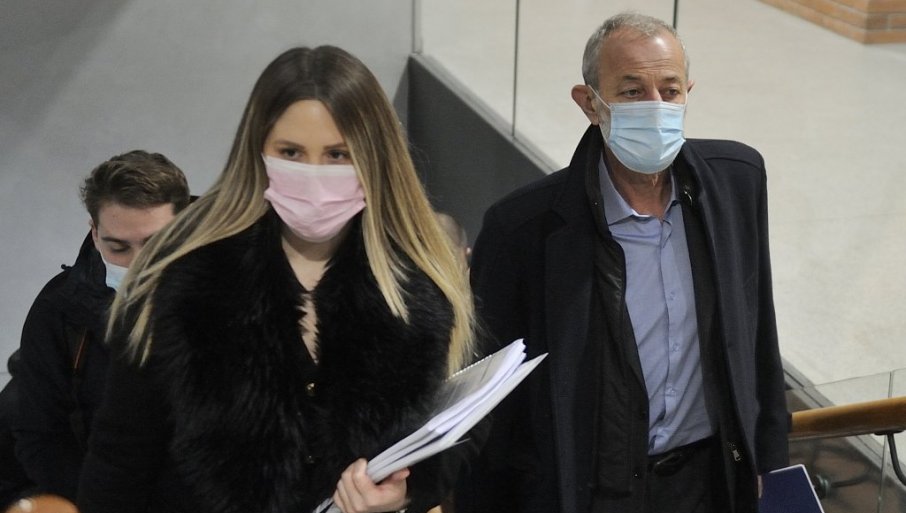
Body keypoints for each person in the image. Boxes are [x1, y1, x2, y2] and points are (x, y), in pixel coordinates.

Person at [76, 45, 477, 513]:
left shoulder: (424, 277)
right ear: (259, 149)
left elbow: (456, 434)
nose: (313, 174)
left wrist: (406, 493)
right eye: (291, 152)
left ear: (373, 156)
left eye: (338, 154)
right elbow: (119, 459)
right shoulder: (178, 274)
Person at [455, 12, 789, 513]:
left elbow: (757, 331)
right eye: (632, 92)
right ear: (590, 102)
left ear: (688, 92)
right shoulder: (522, 229)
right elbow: (490, 402)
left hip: (709, 483)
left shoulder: (736, 183)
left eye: (670, 91)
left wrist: (771, 460)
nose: (656, 107)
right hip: (594, 492)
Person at [3, 151, 190, 510]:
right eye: (118, 247)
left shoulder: (229, 299)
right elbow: (40, 435)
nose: (138, 265)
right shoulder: (60, 311)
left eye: (155, 244)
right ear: (94, 231)